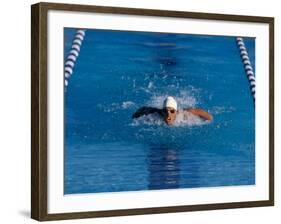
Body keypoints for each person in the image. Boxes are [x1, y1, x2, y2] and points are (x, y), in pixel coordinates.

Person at [132, 96, 213, 125]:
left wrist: (209, 120)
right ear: (162, 111)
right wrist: (135, 116)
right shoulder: (157, 113)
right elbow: (143, 109)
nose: (168, 115)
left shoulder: (184, 115)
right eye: (165, 111)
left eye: (172, 111)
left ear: (176, 112)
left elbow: (200, 112)